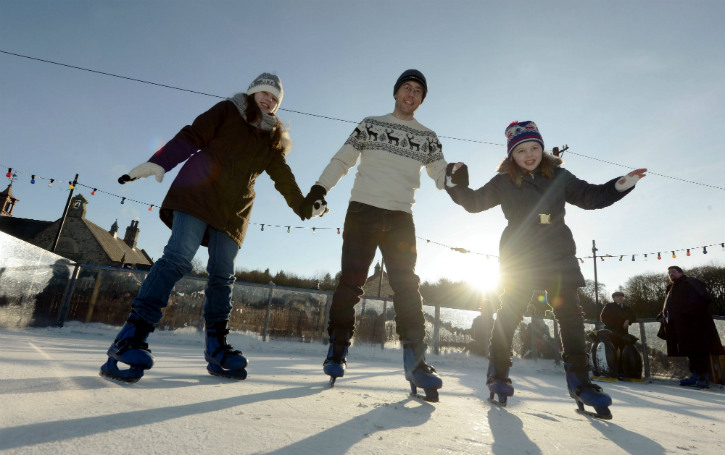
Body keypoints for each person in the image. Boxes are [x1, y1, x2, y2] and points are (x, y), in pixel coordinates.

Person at [100, 73, 324, 383]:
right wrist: (160, 162)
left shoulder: (271, 139)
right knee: (178, 258)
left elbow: (283, 177)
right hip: (198, 194)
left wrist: (304, 206)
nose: (269, 99)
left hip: (234, 212)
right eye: (264, 92)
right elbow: (192, 135)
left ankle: (217, 347)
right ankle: (130, 336)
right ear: (252, 93)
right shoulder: (228, 111)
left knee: (222, 276)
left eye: (275, 98)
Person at [445, 120, 646, 417]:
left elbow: (590, 197)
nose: (529, 155)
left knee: (570, 316)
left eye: (535, 148)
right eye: (521, 150)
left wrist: (620, 185)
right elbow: (475, 203)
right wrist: (456, 186)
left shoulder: (560, 177)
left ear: (542, 149)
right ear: (511, 154)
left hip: (557, 255)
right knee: (511, 311)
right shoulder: (503, 182)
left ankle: (580, 380)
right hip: (520, 256)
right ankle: (498, 373)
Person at [300, 69, 446, 401]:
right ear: (395, 93)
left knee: (406, 283)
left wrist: (456, 179)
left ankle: (416, 360)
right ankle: (337, 350)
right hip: (363, 210)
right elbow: (343, 159)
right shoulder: (370, 124)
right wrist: (319, 188)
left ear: (422, 100)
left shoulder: (427, 136)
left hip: (399, 216)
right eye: (406, 88)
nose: (411, 94)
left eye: (418, 91)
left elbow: (440, 173)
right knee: (351, 281)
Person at [658, 265, 724, 389]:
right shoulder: (671, 288)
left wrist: (686, 312)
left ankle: (703, 377)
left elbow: (701, 299)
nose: (671, 274)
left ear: (681, 272)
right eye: (669, 273)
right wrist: (663, 314)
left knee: (699, 350)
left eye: (673, 272)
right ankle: (694, 375)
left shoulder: (691, 283)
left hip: (694, 324)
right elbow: (670, 305)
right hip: (680, 326)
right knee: (688, 351)